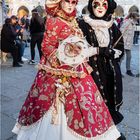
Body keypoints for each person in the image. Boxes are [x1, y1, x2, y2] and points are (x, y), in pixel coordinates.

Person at [12, 0, 121, 140]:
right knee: (52, 103)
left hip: (77, 66)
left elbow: (79, 41)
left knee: (88, 103)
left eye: (74, 2)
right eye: (67, 2)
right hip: (57, 70)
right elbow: (46, 46)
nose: (71, 5)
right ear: (60, 3)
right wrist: (63, 59)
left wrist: (81, 49)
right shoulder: (54, 20)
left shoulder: (73, 20)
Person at [78, 0, 126, 139]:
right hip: (92, 70)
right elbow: (78, 49)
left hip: (110, 69)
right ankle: (96, 132)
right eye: (96, 4)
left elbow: (120, 46)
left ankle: (110, 131)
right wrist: (99, 51)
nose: (100, 7)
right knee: (95, 100)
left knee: (111, 97)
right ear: (91, 6)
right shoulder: (83, 24)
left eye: (103, 4)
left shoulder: (112, 25)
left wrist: (113, 53)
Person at [120, 13, 137, 77]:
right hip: (124, 43)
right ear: (133, 17)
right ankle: (118, 71)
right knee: (121, 58)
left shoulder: (133, 24)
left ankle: (128, 70)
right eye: (137, 17)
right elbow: (121, 32)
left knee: (129, 57)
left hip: (128, 44)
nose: (138, 19)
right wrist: (122, 41)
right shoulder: (127, 23)